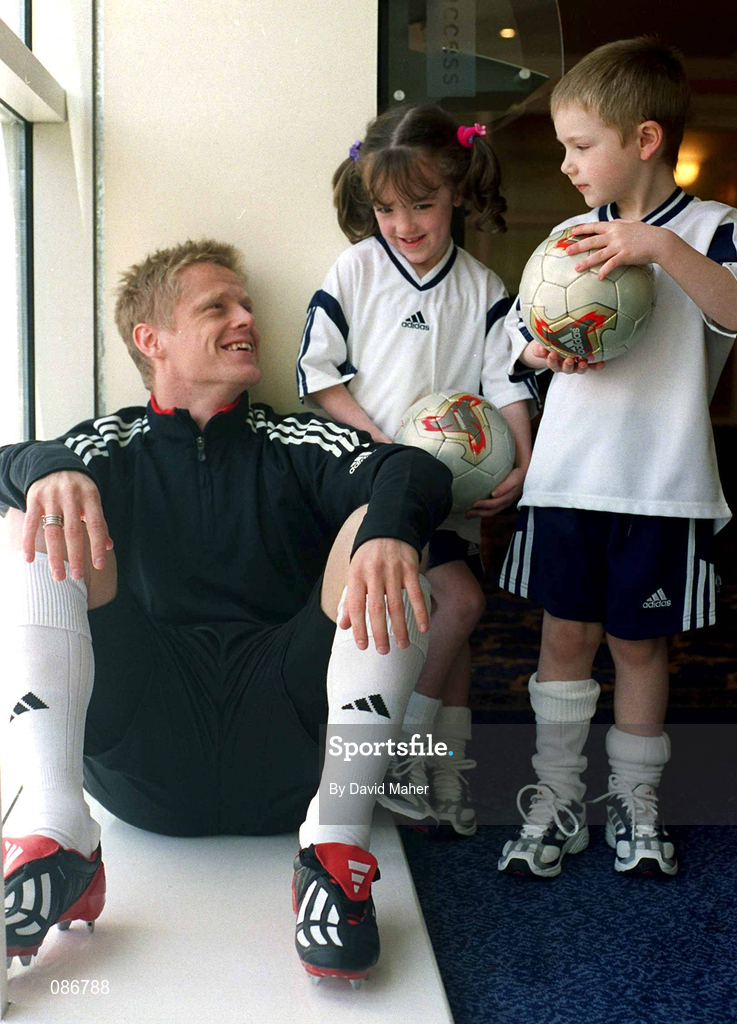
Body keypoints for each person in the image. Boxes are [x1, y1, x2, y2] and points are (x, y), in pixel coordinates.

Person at [1, 239, 455, 985]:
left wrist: (387, 530)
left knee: (381, 527)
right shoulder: (108, 443)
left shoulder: (293, 440)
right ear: (152, 341)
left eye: (246, 304)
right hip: (145, 740)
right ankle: (60, 836)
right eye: (218, 306)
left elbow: (412, 468)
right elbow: (5, 462)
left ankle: (334, 855)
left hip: (288, 737)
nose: (247, 318)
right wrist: (46, 466)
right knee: (36, 512)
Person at [497, 37, 737, 878]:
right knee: (563, 638)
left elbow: (736, 310)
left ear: (642, 140)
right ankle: (556, 799)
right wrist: (541, 354)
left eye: (578, 145)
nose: (565, 164)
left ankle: (636, 806)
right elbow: (516, 340)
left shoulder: (711, 230)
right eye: (561, 147)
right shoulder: (565, 236)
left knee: (639, 648)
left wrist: (658, 249)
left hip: (662, 486)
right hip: (569, 478)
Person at [295, 104, 537, 837]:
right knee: (457, 605)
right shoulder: (356, 270)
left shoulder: (486, 289)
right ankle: (401, 752)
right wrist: (373, 439)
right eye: (387, 208)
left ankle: (443, 769)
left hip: (455, 493)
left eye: (422, 205)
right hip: (382, 486)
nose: (403, 224)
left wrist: (521, 461)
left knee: (449, 629)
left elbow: (506, 385)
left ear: (458, 191)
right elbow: (318, 371)